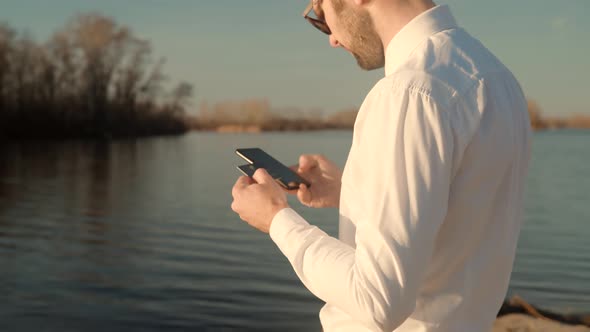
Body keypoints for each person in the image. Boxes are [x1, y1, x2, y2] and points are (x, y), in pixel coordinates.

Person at [230, 0, 532, 331]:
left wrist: (277, 219)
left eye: (320, 14)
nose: (331, 38)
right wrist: (351, 193)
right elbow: (458, 212)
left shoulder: (409, 92)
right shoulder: (496, 77)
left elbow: (376, 299)